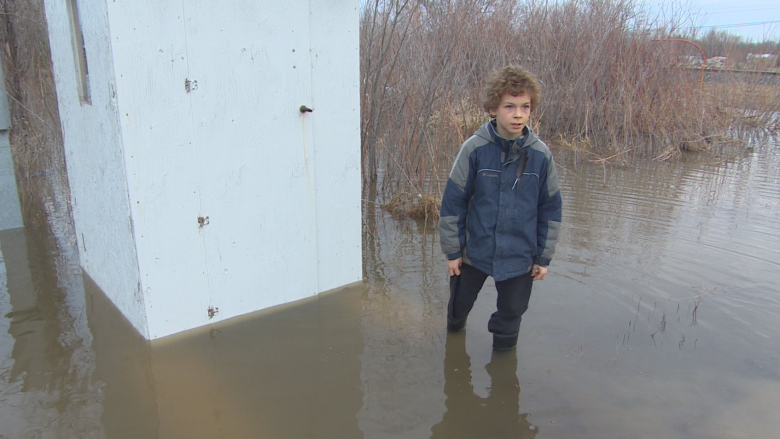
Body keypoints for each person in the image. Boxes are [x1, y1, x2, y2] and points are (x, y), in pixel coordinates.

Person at [438, 65, 562, 351]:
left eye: (525, 106)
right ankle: (453, 348)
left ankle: (503, 375)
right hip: (474, 252)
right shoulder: (474, 149)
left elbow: (551, 210)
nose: (518, 114)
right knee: (457, 311)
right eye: (509, 106)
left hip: (520, 255)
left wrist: (543, 257)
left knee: (511, 318)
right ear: (493, 108)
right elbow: (453, 202)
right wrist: (453, 252)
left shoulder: (541, 155)